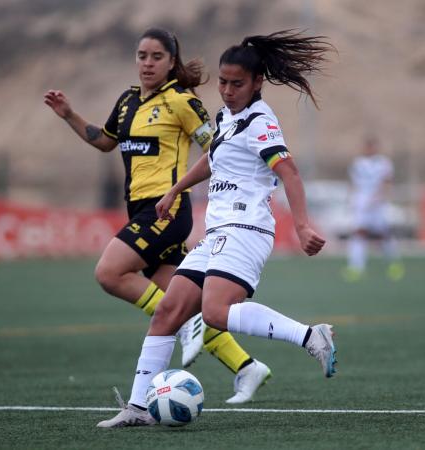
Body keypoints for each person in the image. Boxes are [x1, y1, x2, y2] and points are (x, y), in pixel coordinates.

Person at [97, 29, 337, 428]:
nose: (226, 90)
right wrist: (175, 189)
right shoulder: (228, 118)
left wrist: (301, 225)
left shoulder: (260, 122)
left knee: (216, 313)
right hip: (217, 233)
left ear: (257, 83)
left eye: (236, 83)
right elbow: (212, 160)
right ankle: (138, 407)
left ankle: (312, 336)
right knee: (168, 313)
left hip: (246, 229)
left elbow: (289, 172)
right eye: (223, 82)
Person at [43, 28, 270, 404]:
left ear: (171, 62)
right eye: (141, 56)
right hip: (141, 210)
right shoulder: (128, 100)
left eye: (156, 57)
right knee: (173, 301)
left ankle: (188, 330)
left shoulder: (181, 100)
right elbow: (104, 141)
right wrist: (68, 114)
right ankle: (246, 366)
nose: (147, 63)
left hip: (165, 210)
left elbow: (219, 149)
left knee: (109, 273)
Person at [342, 136, 404, 282]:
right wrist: (351, 201)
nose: (369, 149)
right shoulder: (357, 163)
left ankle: (394, 264)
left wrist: (381, 197)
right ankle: (356, 268)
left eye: (371, 146)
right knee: (358, 234)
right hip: (361, 204)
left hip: (377, 204)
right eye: (367, 146)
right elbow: (354, 184)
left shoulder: (384, 163)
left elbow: (387, 182)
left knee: (383, 235)